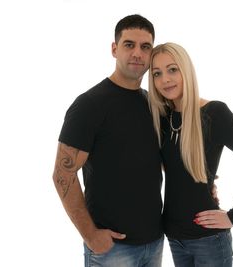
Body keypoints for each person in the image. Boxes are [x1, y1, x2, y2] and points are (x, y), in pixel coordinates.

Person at [52, 14, 164, 267]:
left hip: (155, 242)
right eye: (129, 44)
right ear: (114, 49)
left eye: (145, 47)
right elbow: (62, 174)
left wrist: (203, 182)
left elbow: (163, 162)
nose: (137, 53)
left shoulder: (153, 104)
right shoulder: (90, 105)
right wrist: (90, 234)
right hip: (113, 250)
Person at [148, 42, 233, 267]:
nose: (165, 79)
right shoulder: (161, 119)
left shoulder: (215, 113)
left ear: (186, 70)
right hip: (174, 236)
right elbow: (172, 166)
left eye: (172, 69)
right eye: (157, 73)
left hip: (209, 240)